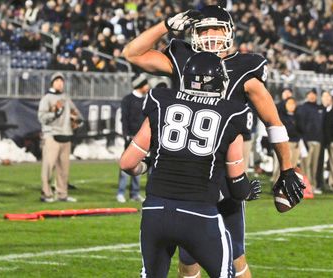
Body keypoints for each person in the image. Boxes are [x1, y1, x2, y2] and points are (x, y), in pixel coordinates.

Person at [123, 6, 304, 278]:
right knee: (188, 260)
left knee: (235, 257)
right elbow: (131, 54)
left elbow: (273, 123)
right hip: (183, 175)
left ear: (229, 31)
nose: (210, 35)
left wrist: (287, 168)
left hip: (224, 176)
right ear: (193, 33)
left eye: (216, 28)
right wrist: (165, 26)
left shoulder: (245, 69)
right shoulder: (184, 60)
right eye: (204, 29)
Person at [120, 52, 261, 278]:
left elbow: (127, 163)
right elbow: (236, 181)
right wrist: (246, 192)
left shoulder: (160, 100)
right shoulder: (232, 113)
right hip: (199, 213)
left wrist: (146, 165)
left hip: (155, 211)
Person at [38, 72, 83, 202]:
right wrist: (55, 114)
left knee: (64, 169)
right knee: (48, 166)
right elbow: (41, 117)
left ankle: (62, 194)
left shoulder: (66, 98)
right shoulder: (46, 98)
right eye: (57, 81)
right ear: (52, 83)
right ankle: (46, 194)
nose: (60, 83)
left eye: (62, 81)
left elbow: (76, 113)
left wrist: (77, 120)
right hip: (51, 135)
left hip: (66, 135)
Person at [116, 74, 150, 203]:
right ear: (140, 85)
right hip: (131, 138)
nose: (148, 86)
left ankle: (134, 193)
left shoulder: (147, 99)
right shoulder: (128, 100)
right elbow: (124, 118)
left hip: (143, 139)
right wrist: (126, 135)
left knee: (139, 165)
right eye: (145, 84)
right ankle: (121, 192)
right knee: (126, 165)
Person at [296, 89, 325, 194]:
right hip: (306, 140)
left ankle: (312, 186)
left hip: (317, 140)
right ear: (307, 95)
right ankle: (304, 187)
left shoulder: (320, 108)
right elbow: (299, 124)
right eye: (310, 94)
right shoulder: (302, 108)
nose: (312, 96)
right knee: (305, 165)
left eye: (314, 95)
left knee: (314, 165)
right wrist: (303, 138)